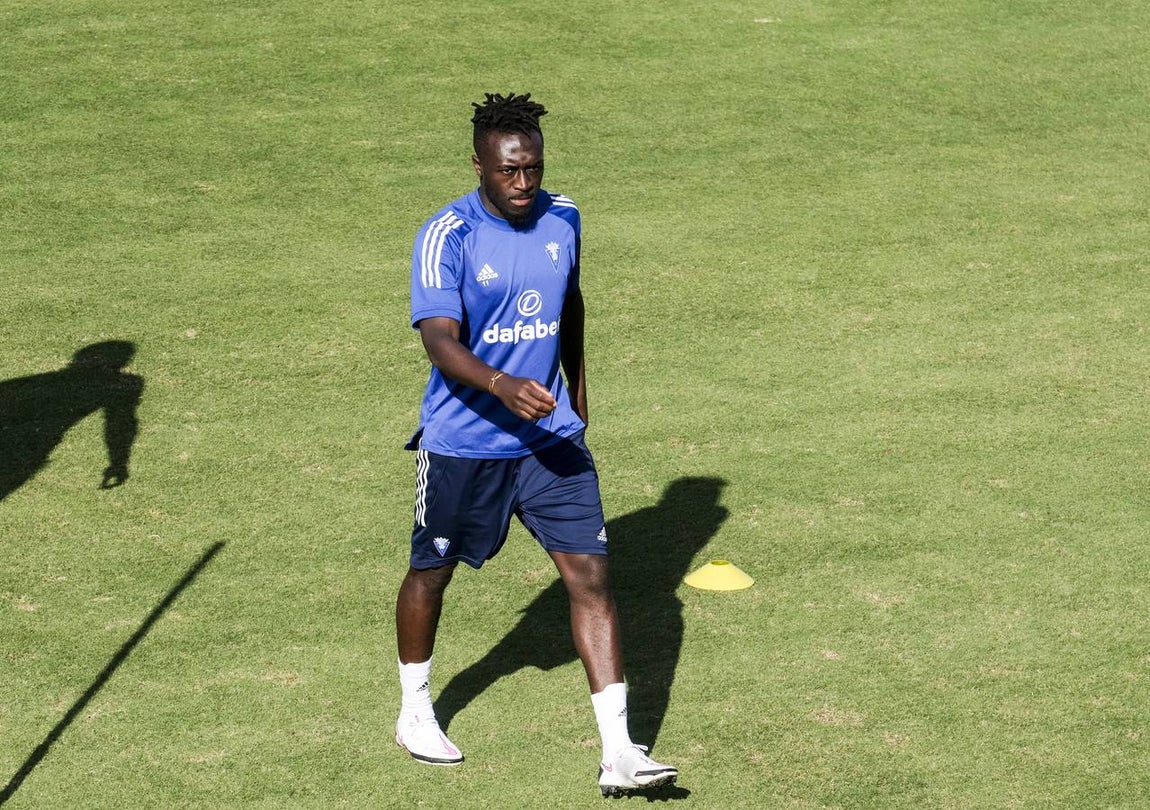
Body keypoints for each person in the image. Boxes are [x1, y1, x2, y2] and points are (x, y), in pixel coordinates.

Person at [394, 92, 677, 796]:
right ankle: (415, 711)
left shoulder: (564, 216)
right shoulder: (446, 235)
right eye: (508, 172)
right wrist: (501, 384)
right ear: (479, 166)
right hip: (465, 444)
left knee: (591, 579)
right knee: (432, 573)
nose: (523, 184)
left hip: (551, 440)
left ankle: (618, 752)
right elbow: (438, 340)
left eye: (533, 169)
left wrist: (577, 385)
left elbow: (570, 300)